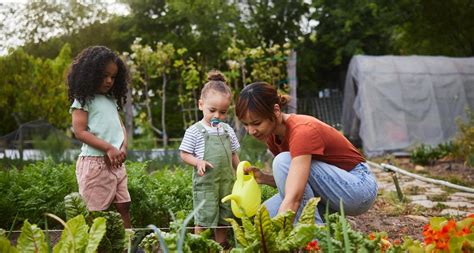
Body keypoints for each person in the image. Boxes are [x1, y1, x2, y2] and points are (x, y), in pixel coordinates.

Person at [235, 82, 378, 224]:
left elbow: (294, 198)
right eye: (246, 124)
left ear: (276, 111)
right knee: (264, 218)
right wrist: (264, 178)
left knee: (283, 162)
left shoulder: (301, 131)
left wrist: (281, 231)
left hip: (359, 188)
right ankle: (325, 228)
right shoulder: (273, 137)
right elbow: (295, 180)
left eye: (256, 123)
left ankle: (313, 239)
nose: (251, 131)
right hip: (334, 189)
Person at [68, 46, 131, 228]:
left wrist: (123, 147)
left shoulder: (110, 99)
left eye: (113, 77)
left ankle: (128, 243)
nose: (109, 81)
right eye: (104, 75)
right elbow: (79, 132)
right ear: (90, 73)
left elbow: (120, 127)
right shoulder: (83, 100)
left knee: (124, 204)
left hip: (116, 162)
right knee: (96, 211)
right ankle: (95, 245)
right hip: (95, 164)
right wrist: (108, 148)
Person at [179, 70, 240, 247]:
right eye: (212, 110)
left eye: (223, 112)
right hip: (206, 184)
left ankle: (222, 245)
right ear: (201, 105)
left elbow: (234, 154)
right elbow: (184, 154)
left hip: (226, 183)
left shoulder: (227, 130)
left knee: (224, 216)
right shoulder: (195, 131)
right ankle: (200, 245)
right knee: (205, 216)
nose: (217, 116)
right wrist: (198, 162)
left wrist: (241, 172)